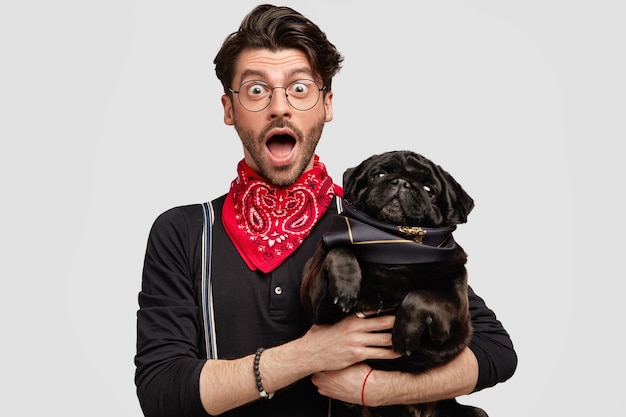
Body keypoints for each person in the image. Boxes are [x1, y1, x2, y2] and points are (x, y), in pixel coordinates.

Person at [134, 4, 517, 417]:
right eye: (256, 90)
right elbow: (161, 393)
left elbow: (495, 352)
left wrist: (379, 388)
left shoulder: (374, 222)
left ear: (326, 105)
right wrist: (308, 355)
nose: (279, 107)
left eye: (299, 88)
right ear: (229, 108)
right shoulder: (183, 232)